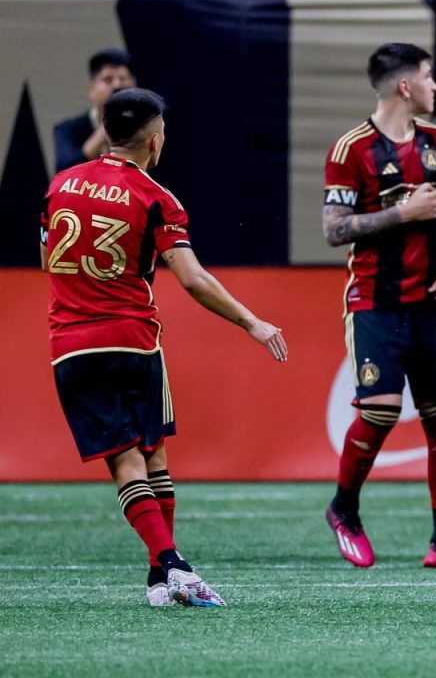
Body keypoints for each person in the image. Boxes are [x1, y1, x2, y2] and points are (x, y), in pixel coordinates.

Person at [42, 87, 287, 607]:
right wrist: (251, 321)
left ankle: (158, 580)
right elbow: (193, 279)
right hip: (132, 341)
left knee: (138, 457)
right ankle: (176, 565)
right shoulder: (156, 198)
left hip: (71, 346)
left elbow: (49, 260)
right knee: (145, 454)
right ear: (155, 140)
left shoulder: (59, 185)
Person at [320, 43, 436, 568]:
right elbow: (334, 230)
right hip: (376, 302)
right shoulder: (351, 149)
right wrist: (403, 213)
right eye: (430, 77)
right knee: (382, 409)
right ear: (405, 86)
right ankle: (344, 508)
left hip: (435, 304)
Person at [54, 49, 137, 173]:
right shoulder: (67, 129)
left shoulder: (150, 131)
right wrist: (107, 126)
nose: (116, 86)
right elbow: (65, 173)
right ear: (92, 89)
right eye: (108, 79)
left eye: (123, 79)